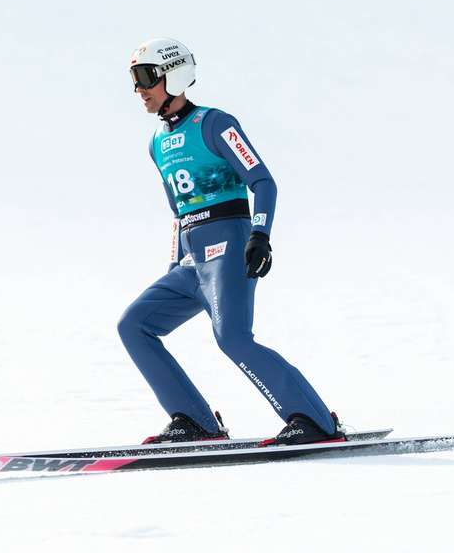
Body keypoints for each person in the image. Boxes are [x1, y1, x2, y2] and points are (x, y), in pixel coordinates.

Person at [118, 37, 344, 446]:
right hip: (191, 261)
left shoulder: (214, 123)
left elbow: (262, 180)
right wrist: (174, 266)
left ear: (174, 76)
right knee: (133, 325)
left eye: (146, 77)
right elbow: (178, 213)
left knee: (233, 339)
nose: (140, 89)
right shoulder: (156, 144)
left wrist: (260, 235)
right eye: (134, 80)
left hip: (230, 246)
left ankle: (314, 422)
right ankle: (195, 422)